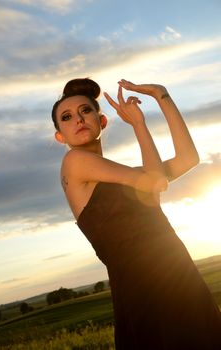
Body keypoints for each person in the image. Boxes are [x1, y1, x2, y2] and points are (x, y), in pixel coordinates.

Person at [51, 78, 221, 349]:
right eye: (67, 117)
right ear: (60, 136)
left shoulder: (126, 177)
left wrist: (162, 95)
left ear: (102, 120)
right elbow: (155, 181)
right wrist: (139, 125)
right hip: (146, 291)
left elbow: (188, 158)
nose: (79, 119)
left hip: (180, 275)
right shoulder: (75, 162)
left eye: (85, 111)